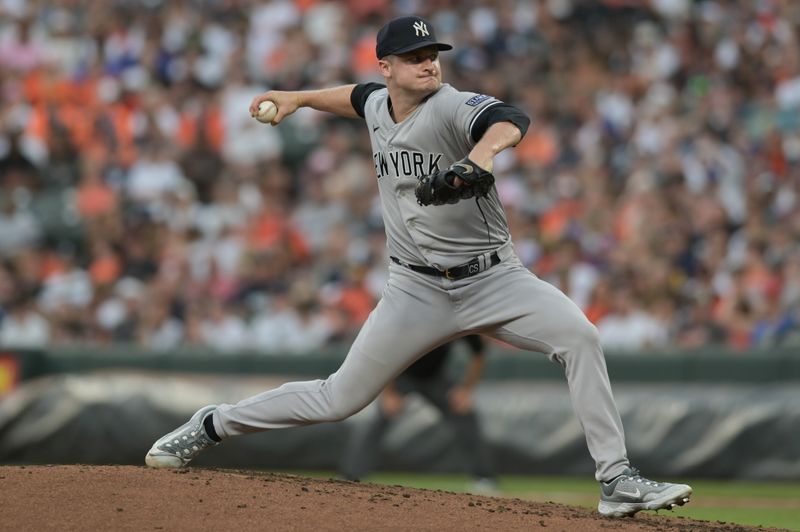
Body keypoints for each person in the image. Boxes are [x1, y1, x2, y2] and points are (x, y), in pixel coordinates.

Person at [145, 15, 692, 518]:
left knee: (580, 337)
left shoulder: (450, 105)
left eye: (432, 53)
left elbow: (509, 118)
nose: (429, 63)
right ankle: (212, 424)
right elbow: (355, 98)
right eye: (414, 56)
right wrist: (300, 98)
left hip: (495, 279)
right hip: (416, 290)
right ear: (387, 68)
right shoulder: (379, 104)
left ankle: (616, 479)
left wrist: (482, 156)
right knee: (340, 398)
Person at [339, 335, 495, 491]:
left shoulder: (458, 318)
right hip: (401, 376)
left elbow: (479, 354)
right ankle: (352, 476)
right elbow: (384, 353)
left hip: (436, 378)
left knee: (465, 415)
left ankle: (483, 478)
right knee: (377, 422)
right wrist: (388, 393)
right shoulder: (410, 318)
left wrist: (466, 390)